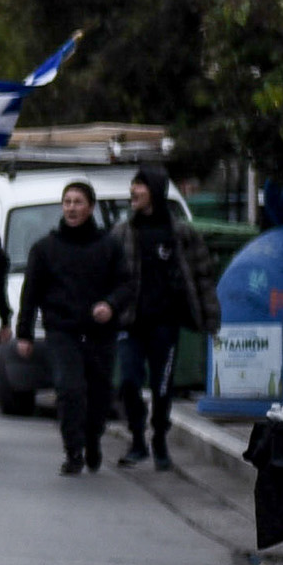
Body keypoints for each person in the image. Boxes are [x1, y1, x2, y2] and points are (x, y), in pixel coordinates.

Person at [15, 179, 131, 474]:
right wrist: (24, 333)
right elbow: (31, 293)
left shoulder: (109, 246)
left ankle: (93, 440)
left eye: (78, 202)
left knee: (99, 393)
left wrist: (110, 304)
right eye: (67, 202)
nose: (71, 208)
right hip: (61, 331)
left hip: (99, 333)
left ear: (90, 207)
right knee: (69, 389)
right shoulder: (45, 249)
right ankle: (73, 450)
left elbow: (126, 283)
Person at [111, 165, 220, 467]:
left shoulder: (181, 233)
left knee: (162, 387)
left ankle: (159, 439)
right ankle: (136, 439)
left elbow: (202, 276)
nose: (133, 192)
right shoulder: (122, 232)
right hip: (130, 324)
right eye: (132, 185)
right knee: (129, 382)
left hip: (165, 325)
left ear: (155, 191)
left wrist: (210, 319)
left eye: (140, 186)